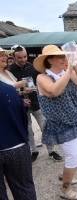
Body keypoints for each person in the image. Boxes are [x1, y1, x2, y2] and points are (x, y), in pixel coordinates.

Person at [33, 45, 77, 199]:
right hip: (61, 124)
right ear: (49, 60)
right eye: (60, 56)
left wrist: (75, 65)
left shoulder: (66, 72)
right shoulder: (42, 77)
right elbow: (54, 91)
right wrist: (69, 69)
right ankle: (65, 189)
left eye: (64, 56)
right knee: (74, 156)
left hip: (76, 120)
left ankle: (64, 174)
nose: (64, 59)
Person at [9, 45, 63, 162]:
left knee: (45, 127)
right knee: (28, 129)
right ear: (13, 57)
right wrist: (22, 94)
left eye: (25, 57)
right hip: (20, 105)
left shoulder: (32, 67)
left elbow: (42, 82)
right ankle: (33, 151)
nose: (23, 60)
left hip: (36, 102)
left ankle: (51, 150)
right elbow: (8, 90)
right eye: (20, 58)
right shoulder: (9, 71)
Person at [0, 47, 37, 200]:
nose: (3, 57)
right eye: (0, 55)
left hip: (15, 135)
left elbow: (9, 97)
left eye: (4, 54)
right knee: (23, 188)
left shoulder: (7, 73)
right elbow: (7, 93)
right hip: (11, 139)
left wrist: (19, 99)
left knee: (23, 188)